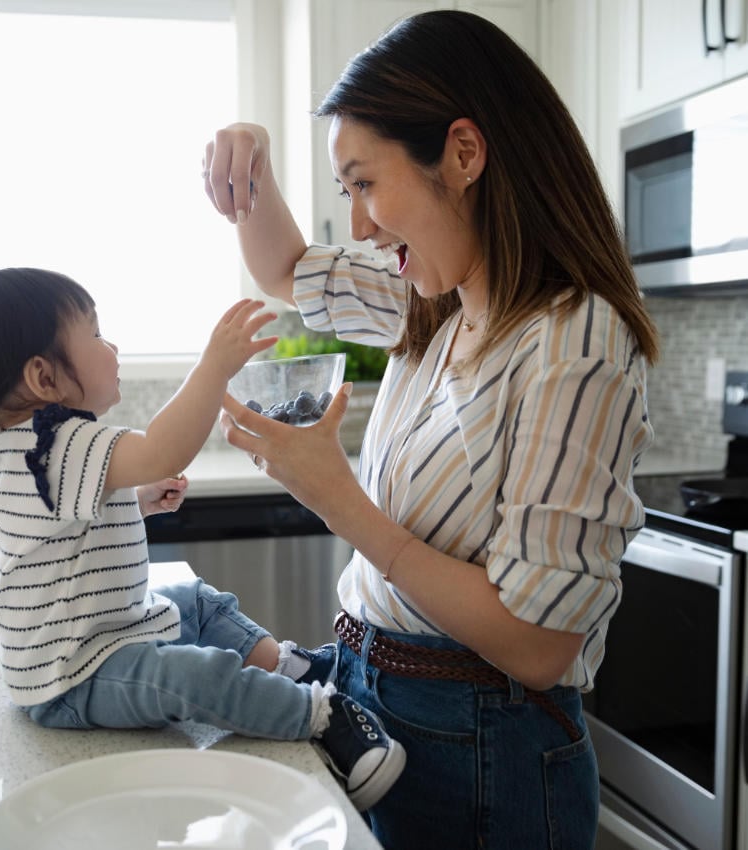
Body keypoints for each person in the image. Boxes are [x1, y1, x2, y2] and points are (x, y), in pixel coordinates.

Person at [202, 9, 659, 850]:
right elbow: (287, 270)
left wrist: (341, 502)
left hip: (486, 749)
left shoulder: (573, 340)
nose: (363, 226)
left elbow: (536, 643)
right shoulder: (436, 300)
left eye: (366, 183)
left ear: (464, 152)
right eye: (348, 193)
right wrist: (251, 165)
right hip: (382, 702)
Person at [0, 267, 406, 813]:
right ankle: (320, 716)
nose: (111, 346)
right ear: (45, 379)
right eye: (94, 334)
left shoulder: (27, 447)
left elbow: (61, 533)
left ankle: (287, 666)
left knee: (197, 604)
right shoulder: (58, 440)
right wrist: (214, 367)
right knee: (191, 676)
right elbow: (163, 447)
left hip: (90, 641)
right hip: (74, 677)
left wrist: (133, 500)